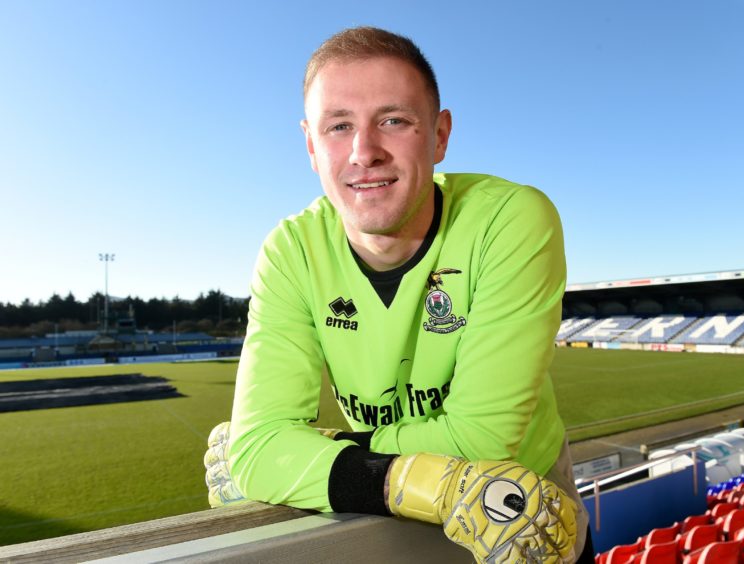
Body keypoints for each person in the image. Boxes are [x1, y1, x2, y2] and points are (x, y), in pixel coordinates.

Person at [205, 26, 591, 563]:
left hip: (521, 500)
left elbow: (482, 443)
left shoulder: (511, 218)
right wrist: (406, 476)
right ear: (312, 147)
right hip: (382, 497)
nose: (365, 152)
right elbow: (256, 448)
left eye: (393, 120)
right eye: (339, 126)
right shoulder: (290, 250)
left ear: (438, 135)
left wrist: (307, 453)